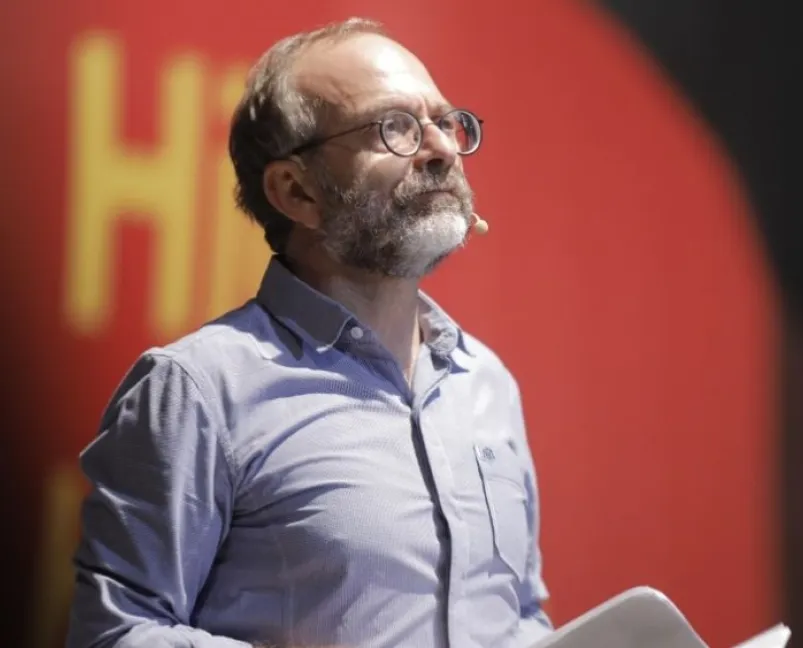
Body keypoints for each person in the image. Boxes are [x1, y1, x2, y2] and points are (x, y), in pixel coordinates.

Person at [66, 17, 552, 648]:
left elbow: (517, 614)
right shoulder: (199, 390)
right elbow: (116, 633)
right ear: (296, 190)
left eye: (445, 121)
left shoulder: (485, 382)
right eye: (394, 127)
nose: (440, 149)